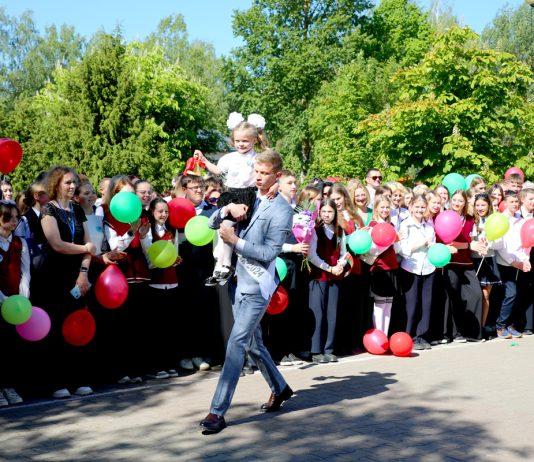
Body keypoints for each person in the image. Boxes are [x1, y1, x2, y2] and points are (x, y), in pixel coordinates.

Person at [199, 149, 293, 435]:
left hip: (258, 285)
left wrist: (235, 241)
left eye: (265, 173)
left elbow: (269, 252)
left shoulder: (282, 210)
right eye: (256, 172)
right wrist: (227, 209)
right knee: (252, 343)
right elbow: (211, 223)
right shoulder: (247, 194)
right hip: (237, 280)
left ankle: (217, 412)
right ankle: (280, 386)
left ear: (277, 175)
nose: (259, 177)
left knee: (237, 342)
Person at [38, 166, 97, 398]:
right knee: (57, 328)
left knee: (78, 325)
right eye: (68, 183)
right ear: (56, 184)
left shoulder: (77, 209)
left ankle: (79, 378)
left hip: (77, 276)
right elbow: (57, 244)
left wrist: (83, 273)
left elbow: (90, 245)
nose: (73, 186)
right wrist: (85, 248)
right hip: (54, 277)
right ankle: (57, 382)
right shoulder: (48, 209)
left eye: (74, 182)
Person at [196, 112, 272, 286]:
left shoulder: (257, 158)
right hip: (230, 195)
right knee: (223, 227)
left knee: (229, 226)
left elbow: (268, 174)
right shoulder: (228, 158)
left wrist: (272, 187)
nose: (241, 144)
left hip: (247, 195)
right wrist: (204, 160)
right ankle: (221, 264)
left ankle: (227, 264)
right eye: (237, 141)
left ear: (254, 140)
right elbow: (217, 171)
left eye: (245, 141)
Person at [177, 174, 220, 372]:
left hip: (206, 268)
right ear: (185, 190)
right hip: (183, 269)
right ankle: (186, 354)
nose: (199, 191)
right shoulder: (177, 210)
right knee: (186, 313)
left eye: (201, 187)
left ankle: (203, 353)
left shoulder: (212, 211)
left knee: (205, 312)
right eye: (194, 187)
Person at [141, 197, 180, 379]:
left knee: (170, 327)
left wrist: (175, 259)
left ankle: (170, 363)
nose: (164, 214)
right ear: (152, 212)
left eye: (166, 211)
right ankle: (157, 366)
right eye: (160, 211)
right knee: (157, 327)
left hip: (172, 281)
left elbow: (175, 253)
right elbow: (149, 255)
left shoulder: (172, 230)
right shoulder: (148, 231)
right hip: (155, 282)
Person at [307, 198, 348, 363]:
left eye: (330, 211)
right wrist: (329, 268)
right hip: (319, 276)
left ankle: (329, 348)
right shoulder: (315, 230)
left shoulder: (339, 231)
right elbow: (312, 255)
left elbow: (344, 253)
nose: (326, 214)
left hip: (334, 276)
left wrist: (340, 265)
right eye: (323, 211)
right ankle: (315, 350)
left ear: (335, 213)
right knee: (317, 312)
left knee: (332, 313)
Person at [440, 190, 483, 343]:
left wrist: (479, 245)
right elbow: (448, 243)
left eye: (460, 200)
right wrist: (468, 245)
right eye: (454, 200)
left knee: (476, 295)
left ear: (465, 203)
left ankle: (473, 333)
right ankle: (454, 333)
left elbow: (472, 241)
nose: (456, 203)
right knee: (454, 298)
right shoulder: (444, 217)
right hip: (450, 263)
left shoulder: (470, 220)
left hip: (466, 263)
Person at [0, 201, 30, 406]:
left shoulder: (20, 243)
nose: (13, 222)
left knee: (11, 346)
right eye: (8, 218)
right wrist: (3, 299)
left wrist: (23, 295)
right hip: (2, 300)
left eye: (16, 218)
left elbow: (25, 272)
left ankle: (9, 386)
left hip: (15, 304)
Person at [398, 195, 436, 350]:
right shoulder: (405, 225)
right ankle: (409, 336)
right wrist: (420, 244)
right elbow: (403, 249)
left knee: (426, 305)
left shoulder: (429, 226)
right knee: (411, 305)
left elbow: (433, 244)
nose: (420, 210)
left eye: (422, 207)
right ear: (411, 207)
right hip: (411, 268)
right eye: (417, 207)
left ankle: (422, 336)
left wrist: (432, 246)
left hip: (428, 267)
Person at [493, 192, 531, 339]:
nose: (515, 204)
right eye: (512, 202)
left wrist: (525, 260)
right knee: (510, 294)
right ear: (505, 203)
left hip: (519, 263)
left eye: (516, 202)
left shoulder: (520, 220)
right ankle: (500, 326)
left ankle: (510, 325)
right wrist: (514, 262)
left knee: (517, 295)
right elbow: (501, 246)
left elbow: (525, 243)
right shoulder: (502, 220)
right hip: (505, 263)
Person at [362, 195, 399, 336]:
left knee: (388, 303)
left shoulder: (391, 225)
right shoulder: (373, 225)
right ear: (376, 208)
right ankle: (379, 335)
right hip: (379, 269)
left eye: (387, 207)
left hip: (392, 267)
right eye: (382, 207)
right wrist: (390, 241)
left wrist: (398, 240)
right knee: (379, 304)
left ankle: (385, 335)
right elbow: (371, 250)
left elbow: (397, 249)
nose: (385, 210)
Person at [470, 193, 501, 334]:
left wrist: (489, 244)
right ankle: (473, 326)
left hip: (489, 259)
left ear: (488, 205)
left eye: (483, 205)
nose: (480, 208)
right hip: (474, 260)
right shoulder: (472, 220)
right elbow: (469, 240)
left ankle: (482, 327)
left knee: (486, 295)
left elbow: (499, 241)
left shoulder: (493, 220)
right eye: (477, 205)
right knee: (475, 295)